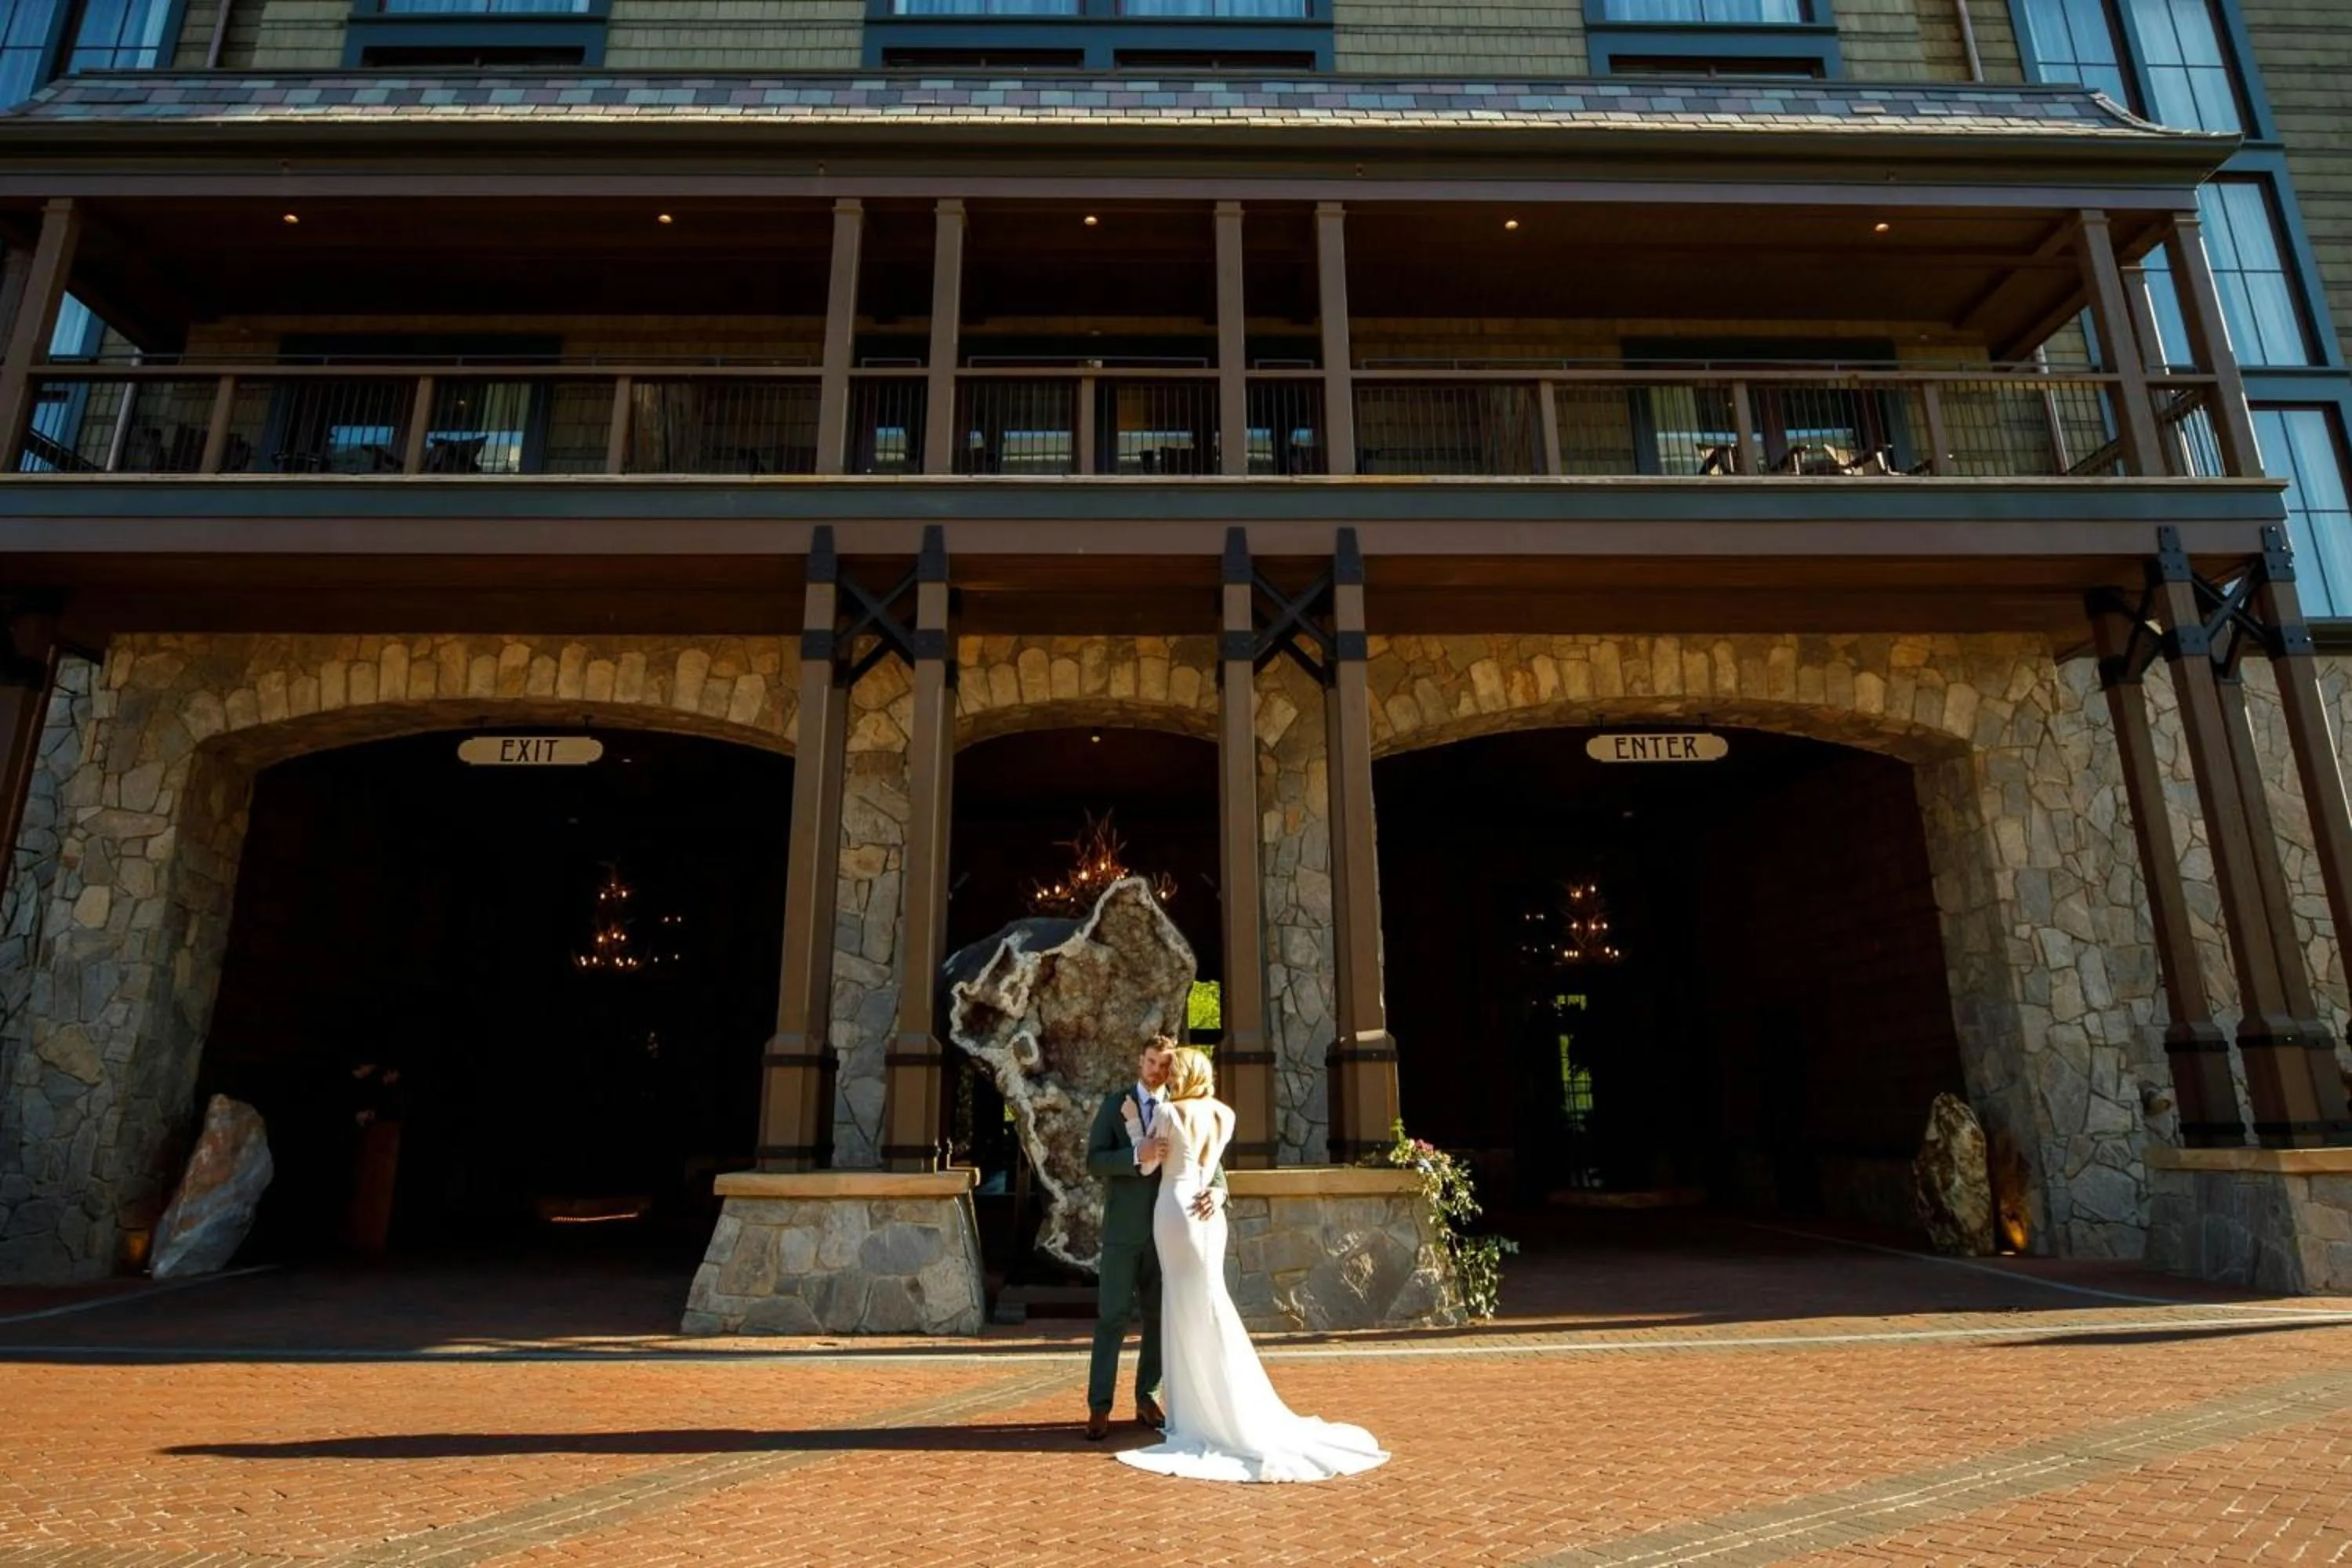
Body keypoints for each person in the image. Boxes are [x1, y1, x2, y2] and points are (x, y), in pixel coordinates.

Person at [1116, 1046, 1390, 1484]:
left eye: (1172, 1070)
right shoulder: (1225, 1114)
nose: (1165, 1076)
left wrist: (1134, 1123)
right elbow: (1213, 1167)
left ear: (1183, 1075)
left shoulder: (1170, 1112)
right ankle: (1222, 1402)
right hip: (1211, 1213)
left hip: (1177, 1211)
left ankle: (1196, 1416)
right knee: (1209, 1300)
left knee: (1184, 1305)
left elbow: (1149, 1166)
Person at [1083, 1036, 1221, 1442]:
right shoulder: (1116, 1106)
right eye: (1150, 1062)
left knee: (1159, 1319)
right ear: (1139, 1061)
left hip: (1171, 1233)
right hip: (1124, 1233)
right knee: (1111, 1317)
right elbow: (1093, 1160)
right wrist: (1134, 1155)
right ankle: (1099, 1407)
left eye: (1164, 1065)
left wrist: (1218, 1191)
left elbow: (1209, 1161)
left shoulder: (1184, 1109)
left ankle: (1147, 1397)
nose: (1156, 1071)